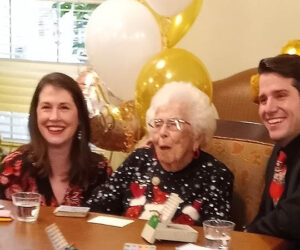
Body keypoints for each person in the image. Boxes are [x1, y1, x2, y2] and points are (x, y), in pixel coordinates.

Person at [85, 82, 233, 226]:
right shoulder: (138, 160)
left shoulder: (215, 176)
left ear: (197, 136)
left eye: (173, 124)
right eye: (157, 124)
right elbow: (96, 208)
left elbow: (215, 234)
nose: (162, 133)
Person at [0, 72, 112, 206]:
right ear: (35, 115)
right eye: (46, 107)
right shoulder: (13, 168)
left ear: (80, 117)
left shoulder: (100, 170)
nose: (54, 117)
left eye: (64, 107)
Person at [247, 54, 300, 248]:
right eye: (263, 99)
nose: (268, 109)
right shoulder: (281, 150)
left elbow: (290, 219)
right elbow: (267, 217)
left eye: (281, 95)